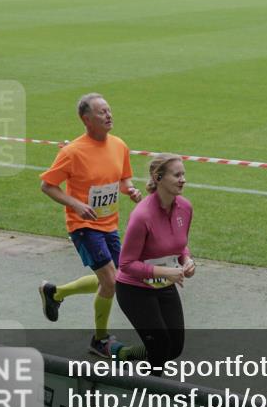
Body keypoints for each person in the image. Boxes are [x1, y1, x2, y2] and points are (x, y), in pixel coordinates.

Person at [38, 93, 142, 358]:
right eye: (102, 112)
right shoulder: (72, 152)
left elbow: (123, 178)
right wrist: (75, 204)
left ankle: (56, 293)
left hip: (109, 223)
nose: (109, 115)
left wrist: (129, 190)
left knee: (113, 278)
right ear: (86, 119)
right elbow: (47, 185)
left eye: (109, 110)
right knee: (109, 280)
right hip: (83, 225)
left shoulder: (119, 145)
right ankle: (100, 340)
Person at [116, 154, 194, 372]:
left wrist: (187, 260)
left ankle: (126, 354)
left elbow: (180, 245)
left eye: (183, 174)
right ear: (158, 178)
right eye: (176, 175)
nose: (183, 179)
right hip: (134, 290)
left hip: (163, 285)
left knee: (175, 348)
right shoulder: (142, 216)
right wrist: (167, 271)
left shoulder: (185, 208)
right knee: (160, 348)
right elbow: (126, 264)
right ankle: (148, 393)